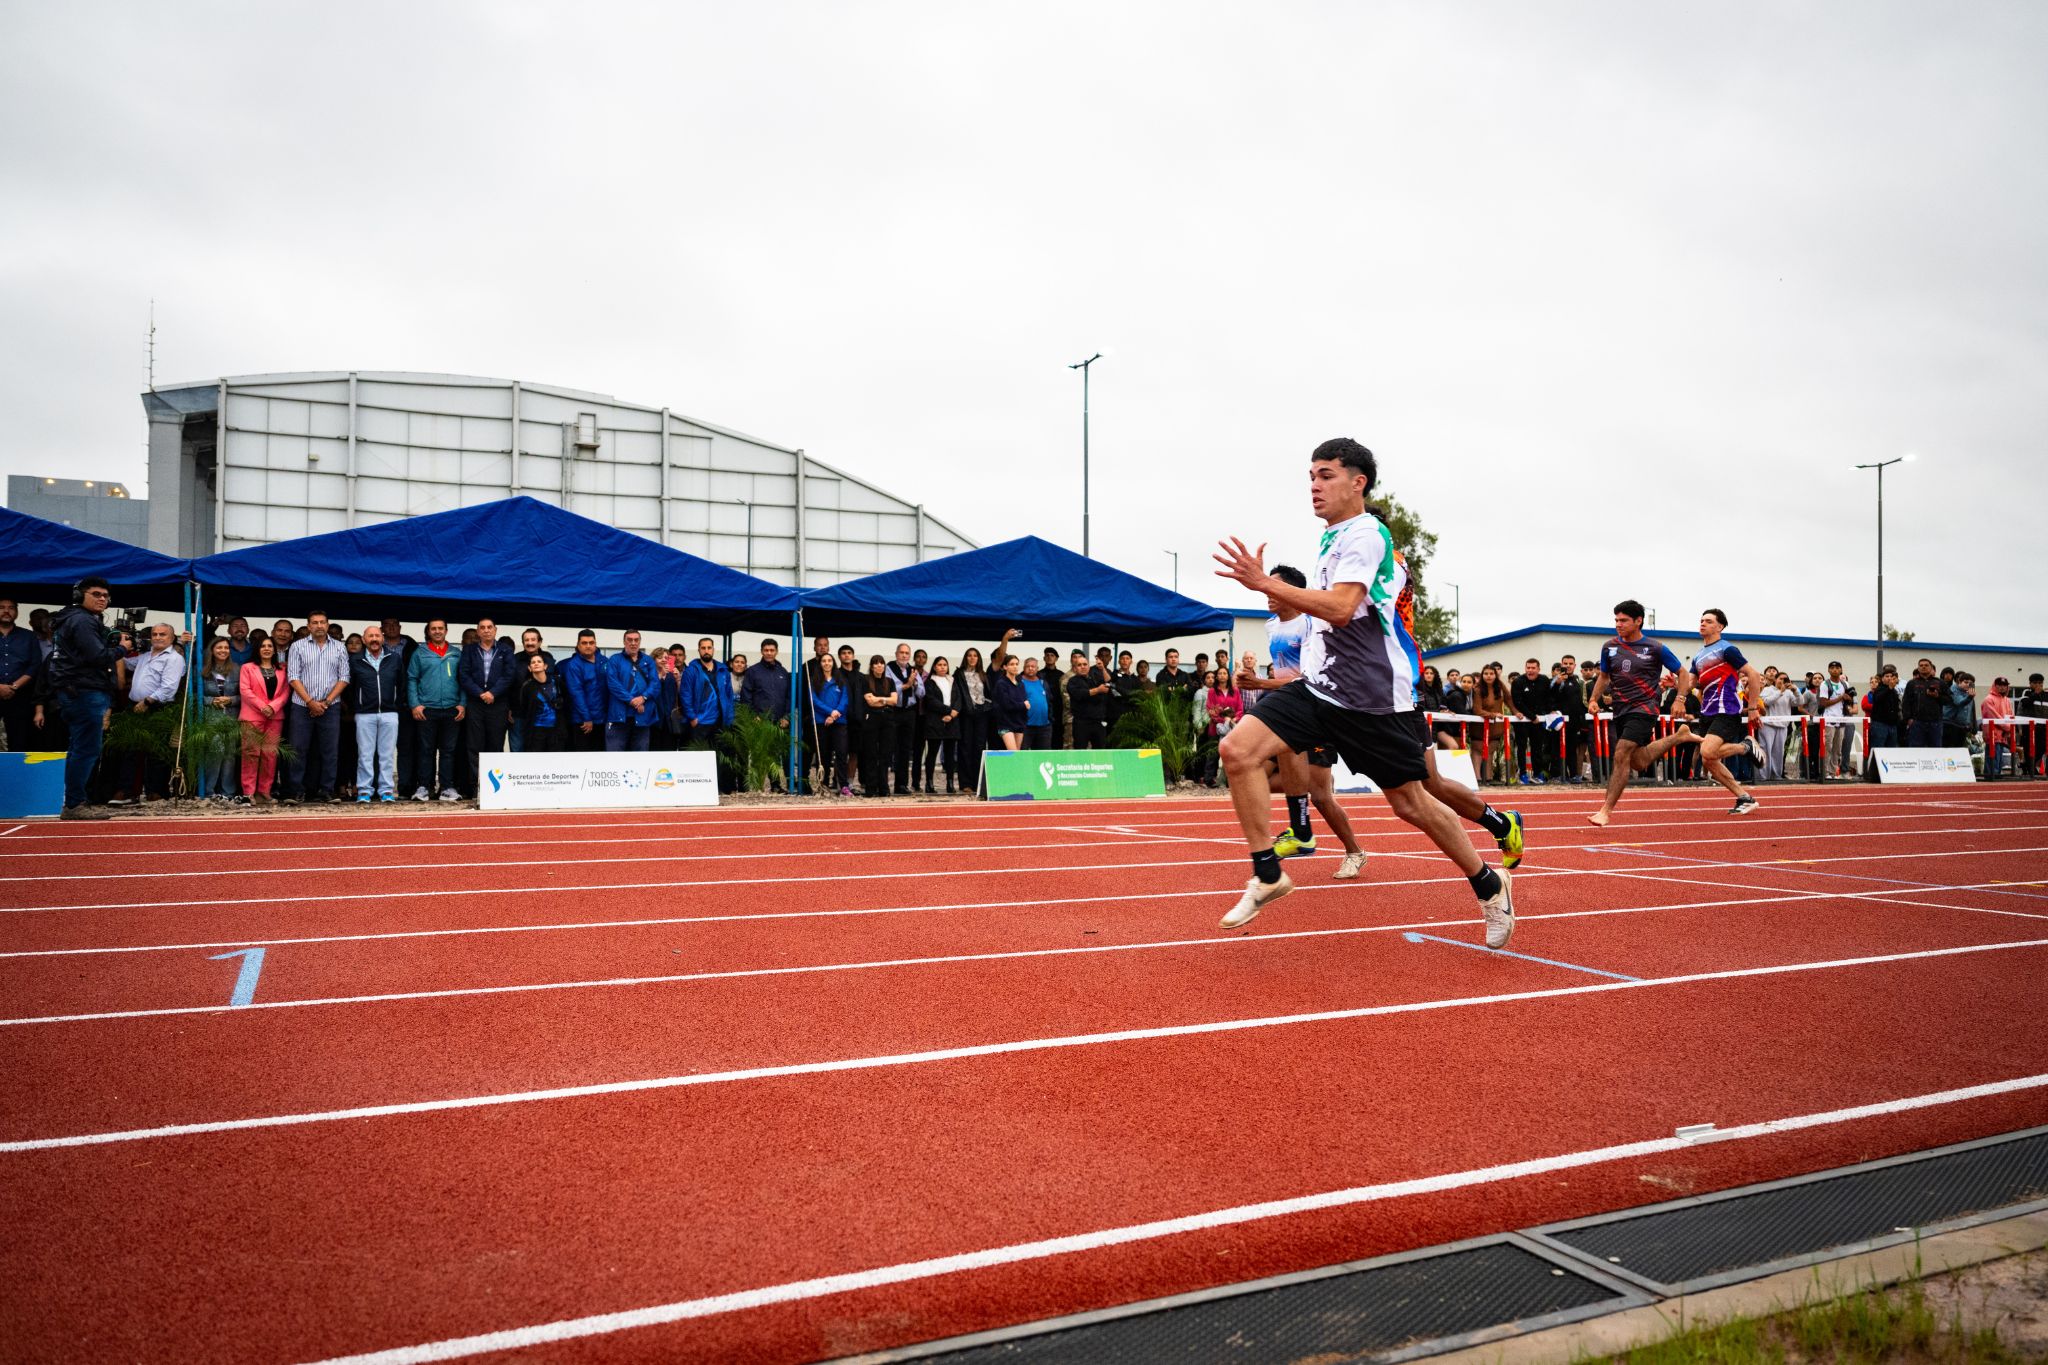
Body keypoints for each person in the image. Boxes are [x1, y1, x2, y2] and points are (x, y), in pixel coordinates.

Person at [1210, 438, 1513, 946]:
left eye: (1325, 475)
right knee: (1237, 750)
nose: (1314, 485)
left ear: (1358, 482)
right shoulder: (1333, 538)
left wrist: (1266, 584)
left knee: (1412, 804)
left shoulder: (1368, 534)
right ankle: (1267, 873)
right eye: (1310, 476)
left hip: (1374, 700)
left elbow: (1341, 607)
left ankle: (1488, 882)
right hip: (1322, 691)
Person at [1583, 600, 1696, 827]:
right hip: (1621, 710)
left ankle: (1606, 810)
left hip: (1645, 708)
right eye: (1616, 620)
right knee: (1638, 761)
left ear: (1638, 621)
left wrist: (1680, 699)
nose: (1618, 624)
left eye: (1623, 620)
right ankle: (1678, 736)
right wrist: (1594, 699)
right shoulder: (1609, 647)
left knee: (1621, 752)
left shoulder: (1655, 648)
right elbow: (1604, 677)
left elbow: (1683, 674)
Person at [44, 578, 124, 818]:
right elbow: (98, 656)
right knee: (87, 749)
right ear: (80, 595)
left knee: (79, 748)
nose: (102, 599)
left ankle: (74, 802)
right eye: (96, 594)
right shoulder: (81, 621)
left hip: (76, 691)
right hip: (84, 691)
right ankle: (74, 804)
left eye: (106, 596)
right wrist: (121, 648)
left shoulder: (73, 619)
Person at [1686, 609, 1768, 815]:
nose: (1703, 624)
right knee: (1708, 760)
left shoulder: (1727, 649)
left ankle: (1745, 747)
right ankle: (1744, 797)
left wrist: (1752, 709)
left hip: (1727, 708)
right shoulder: (1698, 656)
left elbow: (1754, 675)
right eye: (1701, 620)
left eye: (1708, 621)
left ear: (1719, 627)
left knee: (1707, 752)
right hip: (1708, 710)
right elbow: (1691, 684)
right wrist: (1676, 687)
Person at [111, 622, 187, 804]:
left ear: (171, 638)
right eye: (155, 634)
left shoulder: (174, 658)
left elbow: (168, 688)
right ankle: (127, 791)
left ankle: (156, 792)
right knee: (130, 748)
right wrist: (117, 649)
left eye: (163, 634)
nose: (158, 637)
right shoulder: (145, 656)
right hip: (134, 706)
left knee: (156, 751)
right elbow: (127, 664)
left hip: (155, 707)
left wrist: (147, 701)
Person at [407, 619, 465, 802]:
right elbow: (411, 679)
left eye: (441, 628)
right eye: (434, 629)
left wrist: (462, 703)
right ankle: (425, 787)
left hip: (451, 709)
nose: (437, 631)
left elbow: (464, 680)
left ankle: (447, 788)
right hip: (427, 709)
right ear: (429, 632)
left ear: (446, 631)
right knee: (426, 750)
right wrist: (414, 704)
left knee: (448, 751)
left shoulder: (456, 653)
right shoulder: (419, 653)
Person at [349, 624, 405, 802]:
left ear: (382, 638)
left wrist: (396, 704)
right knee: (365, 754)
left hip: (389, 713)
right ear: (364, 640)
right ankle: (365, 790)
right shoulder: (355, 660)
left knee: (387, 754)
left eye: (377, 636)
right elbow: (349, 687)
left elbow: (401, 684)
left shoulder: (394, 658)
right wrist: (356, 705)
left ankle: (386, 790)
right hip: (364, 714)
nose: (374, 639)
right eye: (370, 636)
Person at [238, 633, 290, 804]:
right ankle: (248, 792)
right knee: (251, 754)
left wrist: (273, 707)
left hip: (274, 717)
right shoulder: (247, 667)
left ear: (274, 650)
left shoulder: (282, 669)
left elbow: (285, 693)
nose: (266, 649)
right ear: (257, 649)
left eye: (269, 646)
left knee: (270, 755)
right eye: (263, 646)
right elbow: (245, 691)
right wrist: (263, 707)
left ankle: (264, 792)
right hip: (252, 716)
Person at [459, 619, 516, 771]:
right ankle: (476, 787)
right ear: (478, 632)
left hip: (498, 703)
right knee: (474, 745)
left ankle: (494, 789)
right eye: (482, 628)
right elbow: (464, 675)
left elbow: (509, 675)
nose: (486, 630)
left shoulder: (505, 650)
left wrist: (493, 693)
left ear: (495, 630)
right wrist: (480, 693)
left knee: (495, 745)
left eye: (489, 627)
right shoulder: (469, 650)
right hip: (475, 703)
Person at [196, 637, 241, 801]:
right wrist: (210, 701)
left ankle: (227, 792)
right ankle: (209, 790)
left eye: (226, 648)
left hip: (231, 716)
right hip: (210, 717)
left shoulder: (237, 669)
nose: (223, 650)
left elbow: (244, 695)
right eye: (219, 647)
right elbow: (192, 695)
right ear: (212, 650)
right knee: (215, 751)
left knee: (230, 754)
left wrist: (231, 700)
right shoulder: (201, 669)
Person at [604, 630, 660, 752]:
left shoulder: (648, 660)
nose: (633, 643)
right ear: (624, 642)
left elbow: (655, 684)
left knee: (640, 758)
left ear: (640, 642)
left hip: (642, 717)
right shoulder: (614, 660)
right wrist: (632, 700)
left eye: (636, 640)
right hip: (618, 717)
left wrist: (643, 698)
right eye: (629, 640)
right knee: (615, 757)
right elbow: (613, 684)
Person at [0, 598, 41, 752]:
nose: (6, 611)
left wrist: (14, 686)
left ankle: (16, 776)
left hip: (20, 696)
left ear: (16, 612)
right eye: (2, 607)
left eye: (11, 608)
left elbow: (35, 665)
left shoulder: (29, 637)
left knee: (19, 742)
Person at [883, 643, 924, 793]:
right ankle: (884, 785)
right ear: (896, 654)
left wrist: (914, 685)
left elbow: (921, 693)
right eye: (902, 653)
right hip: (893, 711)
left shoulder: (912, 670)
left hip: (909, 712)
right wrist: (906, 685)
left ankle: (901, 785)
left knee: (905, 749)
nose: (904, 655)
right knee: (888, 748)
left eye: (907, 653)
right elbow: (888, 689)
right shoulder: (888, 668)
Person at [560, 630, 609, 751]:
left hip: (603, 719)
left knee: (601, 756)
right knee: (584, 757)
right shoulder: (574, 665)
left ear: (595, 644)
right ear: (578, 645)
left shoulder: (604, 661)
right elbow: (576, 693)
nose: (588, 646)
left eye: (591, 642)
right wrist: (586, 718)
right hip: (583, 721)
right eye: (584, 643)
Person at [810, 654, 851, 795]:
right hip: (822, 722)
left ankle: (844, 786)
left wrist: (835, 715)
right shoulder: (814, 681)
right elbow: (814, 701)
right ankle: (823, 784)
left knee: (841, 753)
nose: (827, 663)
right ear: (820, 663)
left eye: (829, 660)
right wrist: (830, 712)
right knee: (823, 755)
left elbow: (845, 700)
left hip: (839, 722)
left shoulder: (841, 680)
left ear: (833, 663)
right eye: (824, 661)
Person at [921, 655, 962, 793]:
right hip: (935, 721)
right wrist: (948, 711)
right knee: (932, 752)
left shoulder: (952, 680)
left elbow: (958, 698)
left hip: (952, 721)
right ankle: (929, 783)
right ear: (934, 667)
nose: (942, 667)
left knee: (950, 754)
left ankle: (950, 784)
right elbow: (931, 701)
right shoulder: (929, 682)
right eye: (939, 665)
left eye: (945, 664)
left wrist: (952, 714)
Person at [516, 652, 571, 752]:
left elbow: (567, 699)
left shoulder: (556, 681)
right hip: (536, 732)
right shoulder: (527, 687)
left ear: (545, 666)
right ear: (529, 668)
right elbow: (524, 708)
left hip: (556, 730)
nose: (536, 664)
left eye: (539, 661)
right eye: (533, 662)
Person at [857, 655, 895, 795]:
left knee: (885, 755)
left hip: (888, 720)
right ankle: (871, 787)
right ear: (872, 666)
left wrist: (879, 699)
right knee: (871, 754)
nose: (879, 666)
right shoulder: (865, 680)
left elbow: (894, 700)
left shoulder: (889, 681)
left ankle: (883, 787)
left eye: (881, 663)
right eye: (876, 663)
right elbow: (870, 702)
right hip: (871, 719)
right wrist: (886, 699)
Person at [1470, 662, 1512, 784]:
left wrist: (1516, 712)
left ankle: (1488, 778)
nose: (1489, 676)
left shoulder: (1500, 686)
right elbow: (1477, 710)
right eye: (1486, 673)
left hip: (1495, 727)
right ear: (1482, 675)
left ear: (1496, 675)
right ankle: (1477, 778)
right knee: (1477, 750)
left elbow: (1508, 699)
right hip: (1479, 726)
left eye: (1491, 673)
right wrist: (1493, 715)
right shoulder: (1478, 689)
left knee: (1490, 751)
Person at [956, 646, 992, 788]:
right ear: (966, 658)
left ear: (979, 659)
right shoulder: (959, 673)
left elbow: (988, 695)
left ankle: (977, 782)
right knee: (965, 747)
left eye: (975, 655)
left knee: (979, 747)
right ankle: (965, 783)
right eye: (969, 655)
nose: (972, 658)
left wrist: (987, 707)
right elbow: (958, 694)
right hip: (966, 714)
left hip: (981, 714)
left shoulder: (982, 674)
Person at [1066, 649, 1110, 751]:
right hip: (1081, 723)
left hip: (1098, 722)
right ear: (1075, 668)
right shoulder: (1072, 681)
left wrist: (1103, 668)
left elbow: (1108, 681)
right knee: (1080, 751)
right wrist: (1098, 690)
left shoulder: (1095, 677)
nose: (1083, 667)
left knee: (1100, 751)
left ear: (1089, 666)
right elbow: (1080, 694)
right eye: (1079, 665)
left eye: (1085, 664)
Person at [1759, 666, 1796, 781]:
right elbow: (1766, 702)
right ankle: (1763, 776)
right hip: (1768, 725)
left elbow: (1800, 703)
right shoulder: (1767, 690)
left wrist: (1796, 691)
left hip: (1783, 725)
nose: (1782, 681)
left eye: (1785, 680)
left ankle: (1776, 775)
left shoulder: (1789, 693)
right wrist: (1780, 692)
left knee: (1778, 752)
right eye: (1780, 679)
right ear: (1775, 679)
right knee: (1765, 750)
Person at [989, 650, 1029, 752]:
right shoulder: (1001, 684)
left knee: (1017, 754)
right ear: (1005, 667)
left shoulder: (1021, 684)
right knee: (1013, 753)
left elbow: (1023, 702)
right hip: (1005, 723)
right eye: (1011, 664)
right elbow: (1007, 704)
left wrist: (1023, 707)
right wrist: (1023, 705)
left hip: (1019, 722)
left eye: (1016, 664)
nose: (1015, 666)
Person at [1903, 658, 1945, 748]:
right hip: (1917, 722)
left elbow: (1949, 700)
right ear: (1918, 668)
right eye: (1921, 665)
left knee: (1935, 750)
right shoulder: (1912, 683)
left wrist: (1937, 696)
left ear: (1931, 668)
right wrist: (1908, 718)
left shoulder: (1940, 682)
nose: (1923, 667)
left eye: (1926, 665)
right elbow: (1906, 702)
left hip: (1935, 723)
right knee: (1915, 750)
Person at [1981, 677, 2015, 779]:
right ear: (1994, 686)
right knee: (1993, 758)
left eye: (2004, 685)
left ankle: (1996, 777)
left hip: (2003, 735)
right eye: (1999, 685)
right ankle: (1990, 778)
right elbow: (1995, 717)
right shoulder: (1988, 699)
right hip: (1992, 735)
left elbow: (2010, 715)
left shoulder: (2007, 700)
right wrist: (2009, 728)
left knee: (1999, 760)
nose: (2002, 687)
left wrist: (2009, 730)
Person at [1020, 656, 1053, 750]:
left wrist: (1050, 719)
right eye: (1028, 666)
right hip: (1025, 727)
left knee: (1043, 757)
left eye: (1033, 666)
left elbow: (1049, 701)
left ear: (1037, 669)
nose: (1030, 668)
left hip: (1044, 727)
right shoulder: (1019, 682)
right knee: (1024, 755)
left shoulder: (1043, 683)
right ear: (1024, 668)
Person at [1039, 647, 1068, 749]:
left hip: (1058, 711)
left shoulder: (1062, 675)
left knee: (1057, 738)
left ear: (1056, 658)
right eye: (1047, 655)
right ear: (1044, 658)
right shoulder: (1039, 675)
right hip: (1043, 711)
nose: (1049, 657)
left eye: (1052, 655)